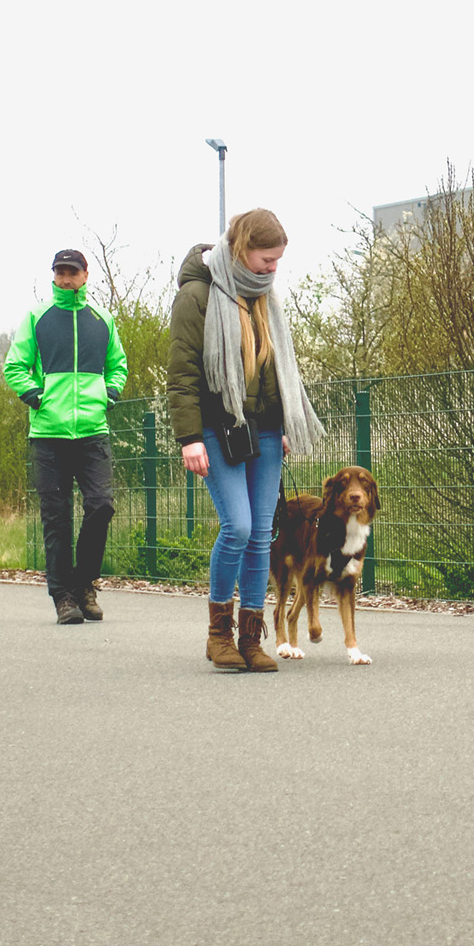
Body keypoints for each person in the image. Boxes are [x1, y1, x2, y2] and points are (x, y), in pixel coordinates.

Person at [167, 209, 325, 671]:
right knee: (236, 526)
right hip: (217, 429)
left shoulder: (264, 297)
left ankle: (252, 639)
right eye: (265, 259)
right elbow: (182, 376)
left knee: (261, 534)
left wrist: (284, 424)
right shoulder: (196, 296)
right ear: (240, 250)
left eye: (278, 260)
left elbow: (277, 369)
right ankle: (220, 634)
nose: (272, 268)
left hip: (266, 433)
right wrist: (190, 437)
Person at [3, 248, 128, 625]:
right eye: (60, 272)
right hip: (49, 434)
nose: (66, 278)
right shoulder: (37, 318)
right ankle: (63, 597)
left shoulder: (102, 320)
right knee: (56, 519)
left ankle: (83, 583)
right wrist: (35, 396)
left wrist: (108, 395)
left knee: (101, 506)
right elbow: (14, 366)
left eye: (72, 272)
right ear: (54, 276)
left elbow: (117, 365)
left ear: (86, 275)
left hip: (92, 431)